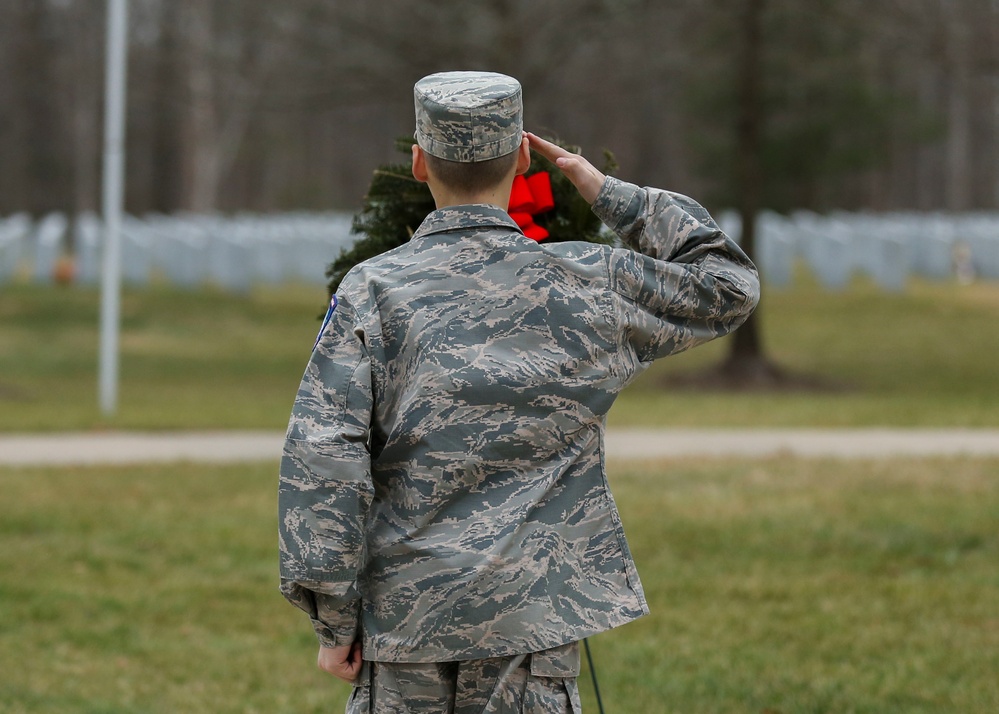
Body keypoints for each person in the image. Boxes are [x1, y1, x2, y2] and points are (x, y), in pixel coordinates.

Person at [278, 70, 760, 713]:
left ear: (419, 162)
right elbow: (727, 283)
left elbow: (324, 459)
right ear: (526, 156)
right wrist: (609, 193)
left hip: (405, 623)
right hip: (533, 623)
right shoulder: (586, 282)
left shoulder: (373, 292)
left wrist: (334, 620)